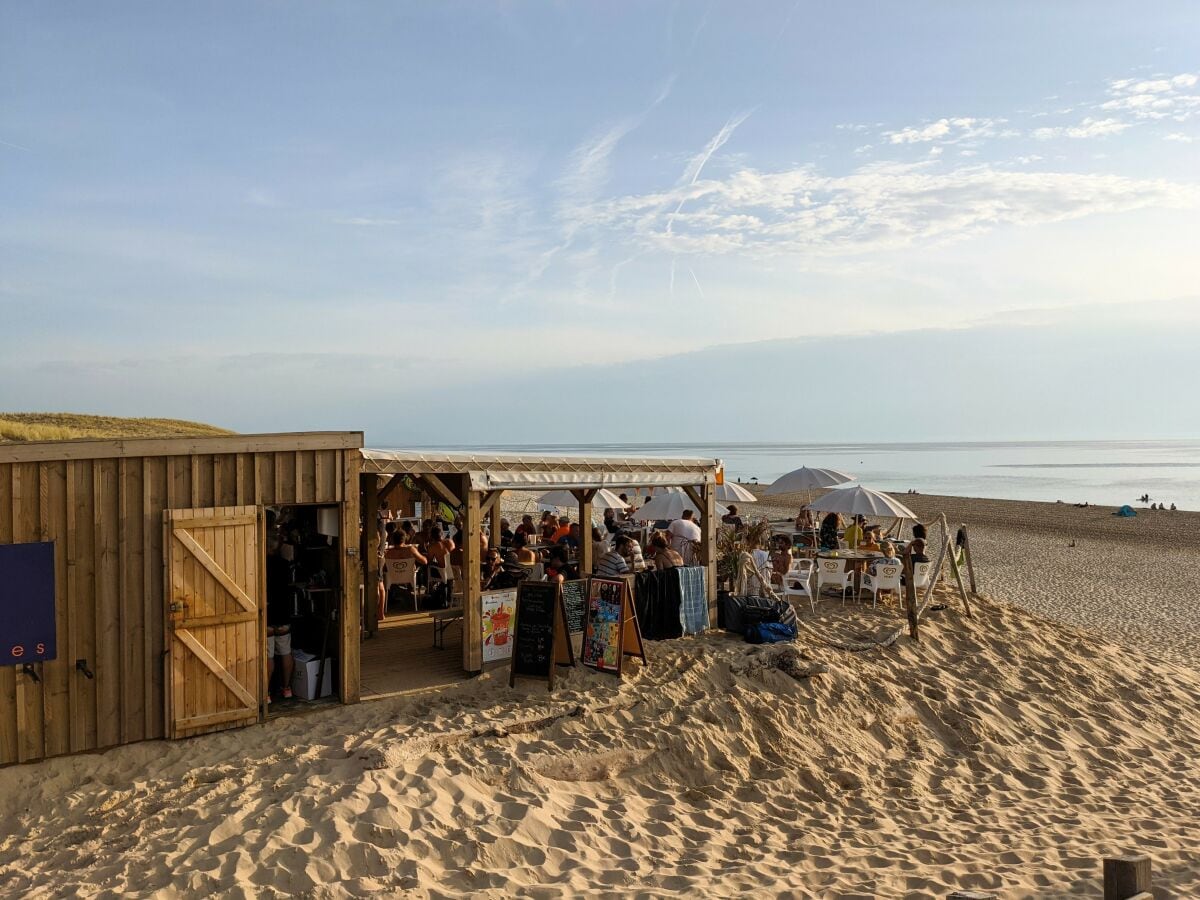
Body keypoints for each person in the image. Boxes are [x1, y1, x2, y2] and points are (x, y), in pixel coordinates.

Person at [265, 535, 295, 701]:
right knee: (285, 652)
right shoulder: (284, 564)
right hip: (283, 613)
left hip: (268, 614)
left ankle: (267, 693)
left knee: (268, 655)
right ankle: (287, 688)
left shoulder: (261, 564)